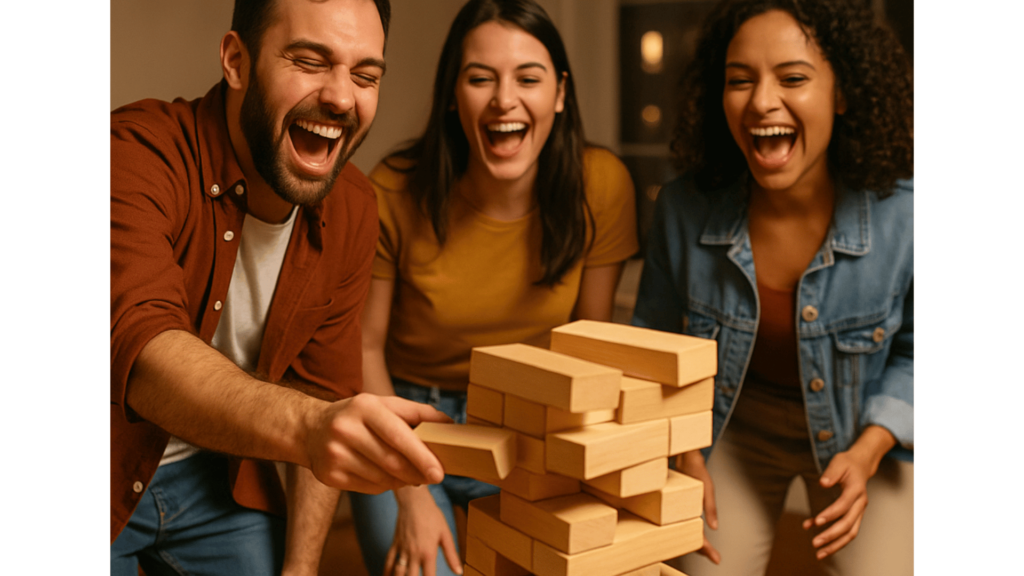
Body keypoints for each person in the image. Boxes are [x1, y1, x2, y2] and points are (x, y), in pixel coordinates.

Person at [110, 1, 452, 574]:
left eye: (365, 75)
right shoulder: (132, 153)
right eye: (310, 60)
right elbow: (145, 351)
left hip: (220, 478)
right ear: (236, 61)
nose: (342, 97)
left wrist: (300, 571)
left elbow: (322, 390)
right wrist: (311, 427)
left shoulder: (354, 207)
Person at [350, 1, 639, 575]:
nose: (504, 99)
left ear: (559, 93)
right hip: (409, 418)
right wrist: (409, 493)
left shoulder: (601, 184)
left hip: (533, 420)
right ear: (453, 95)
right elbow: (362, 348)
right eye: (480, 78)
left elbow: (593, 346)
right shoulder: (394, 188)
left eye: (527, 78)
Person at [631, 0, 913, 574]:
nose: (761, 101)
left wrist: (870, 449)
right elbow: (654, 346)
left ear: (842, 92)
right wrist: (682, 452)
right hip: (730, 429)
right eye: (740, 80)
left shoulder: (905, 216)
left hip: (861, 430)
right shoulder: (684, 208)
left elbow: (926, 352)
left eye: (793, 78)